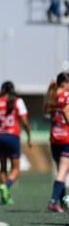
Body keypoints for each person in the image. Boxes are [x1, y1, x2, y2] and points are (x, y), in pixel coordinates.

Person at [0, 81, 32, 205]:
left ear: (3, 89)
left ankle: (5, 196)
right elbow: (25, 121)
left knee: (3, 168)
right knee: (16, 169)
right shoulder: (18, 101)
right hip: (13, 137)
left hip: (0, 137)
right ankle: (6, 186)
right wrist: (29, 136)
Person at [44, 72, 69, 212]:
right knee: (63, 171)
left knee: (61, 171)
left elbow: (47, 111)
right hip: (66, 137)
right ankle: (53, 201)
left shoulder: (52, 96)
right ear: (65, 83)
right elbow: (66, 111)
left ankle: (62, 202)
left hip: (54, 137)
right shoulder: (66, 96)